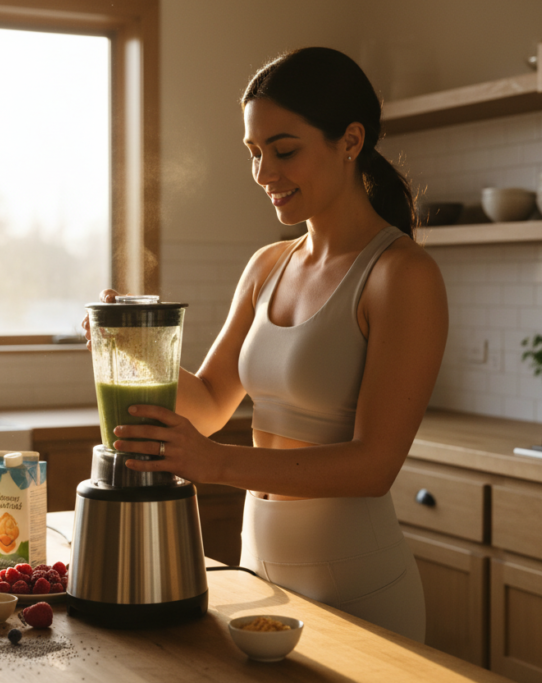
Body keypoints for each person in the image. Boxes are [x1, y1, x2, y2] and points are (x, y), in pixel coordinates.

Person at [82, 47, 447, 643]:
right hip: (262, 573)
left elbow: (374, 464)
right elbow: (209, 403)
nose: (263, 173)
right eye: (254, 153)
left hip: (361, 586)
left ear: (350, 141)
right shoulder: (267, 266)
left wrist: (215, 462)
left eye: (283, 150)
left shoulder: (401, 275)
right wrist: (126, 344)